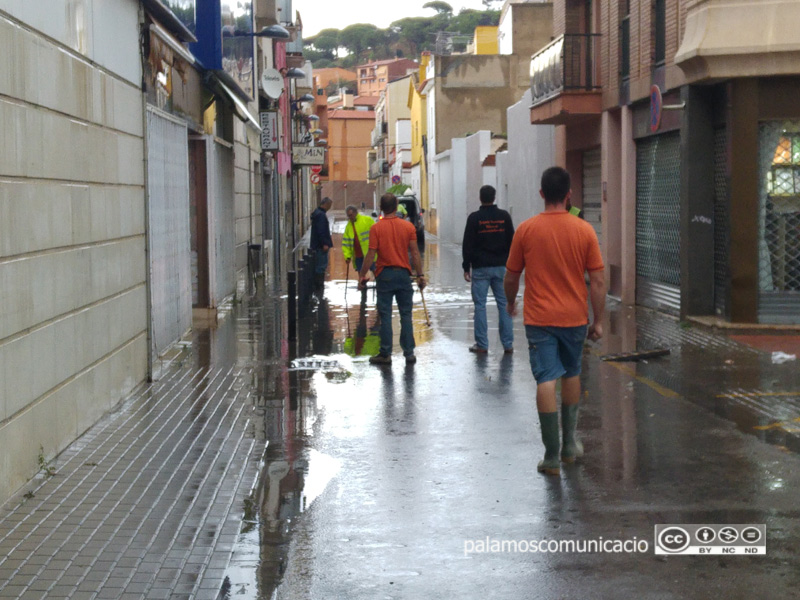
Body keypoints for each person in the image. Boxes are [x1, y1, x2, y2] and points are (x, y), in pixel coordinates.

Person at [504, 167, 605, 476]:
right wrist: (598, 320)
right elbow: (598, 282)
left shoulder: (526, 230)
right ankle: (570, 446)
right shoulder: (584, 230)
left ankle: (550, 456)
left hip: (540, 318)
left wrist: (510, 302)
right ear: (569, 195)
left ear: (542, 193)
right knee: (571, 373)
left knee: (546, 378)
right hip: (574, 317)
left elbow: (512, 275)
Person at [358, 193, 426, 365]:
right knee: (406, 314)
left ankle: (385, 353)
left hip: (385, 276)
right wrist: (420, 275)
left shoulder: (376, 228)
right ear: (396, 207)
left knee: (386, 315)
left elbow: (371, 253)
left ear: (381, 207)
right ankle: (409, 352)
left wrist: (362, 273)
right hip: (404, 275)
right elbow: (415, 253)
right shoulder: (408, 227)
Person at [462, 185, 515, 354]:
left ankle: (482, 344)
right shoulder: (504, 217)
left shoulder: (474, 218)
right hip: (501, 267)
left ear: (480, 198)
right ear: (494, 197)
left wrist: (466, 266)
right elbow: (512, 242)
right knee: (504, 305)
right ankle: (508, 344)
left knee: (480, 306)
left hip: (480, 268)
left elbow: (467, 244)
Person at [343, 205, 375, 274]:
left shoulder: (367, 220)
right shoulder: (348, 227)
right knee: (361, 275)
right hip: (358, 255)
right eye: (348, 216)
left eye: (351, 215)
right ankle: (362, 284)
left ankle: (379, 284)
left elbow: (377, 233)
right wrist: (347, 256)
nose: (350, 218)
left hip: (369, 254)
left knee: (376, 272)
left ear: (355, 213)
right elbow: (346, 243)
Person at [310, 197, 333, 290]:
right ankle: (319, 286)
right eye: (329, 205)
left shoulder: (317, 213)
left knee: (319, 265)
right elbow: (322, 231)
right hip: (320, 246)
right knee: (321, 266)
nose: (330, 208)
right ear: (326, 204)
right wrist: (325, 243)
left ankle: (318, 285)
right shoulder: (321, 215)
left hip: (316, 245)